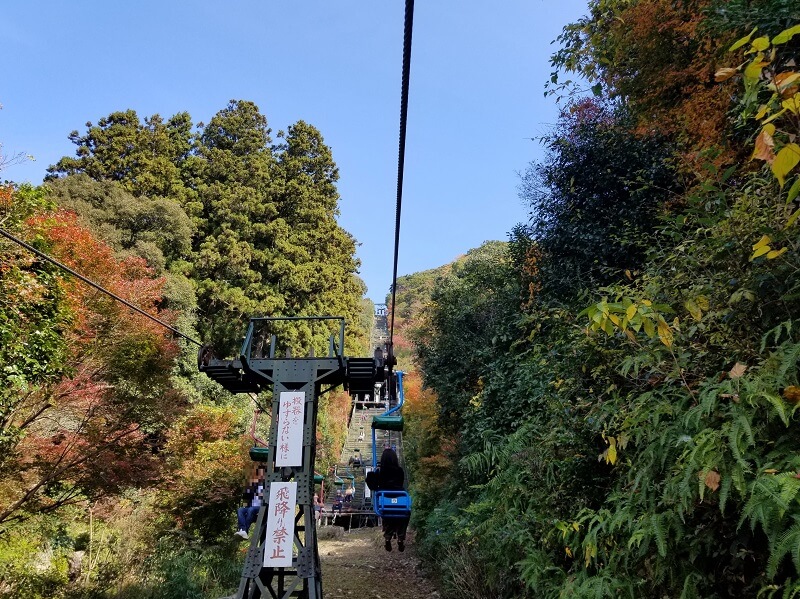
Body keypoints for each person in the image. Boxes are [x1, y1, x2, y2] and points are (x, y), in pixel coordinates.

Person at [369, 448, 409, 552]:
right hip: (399, 499)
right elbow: (400, 484)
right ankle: (400, 537)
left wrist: (373, 474)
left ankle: (388, 537)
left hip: (385, 501)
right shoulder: (400, 471)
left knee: (388, 515)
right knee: (404, 515)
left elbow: (373, 485)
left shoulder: (380, 472)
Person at [235, 466, 265, 540]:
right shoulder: (254, 486)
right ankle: (242, 530)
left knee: (251, 510)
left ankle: (245, 530)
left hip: (261, 507)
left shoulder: (266, 486)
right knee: (240, 510)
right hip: (251, 506)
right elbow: (246, 498)